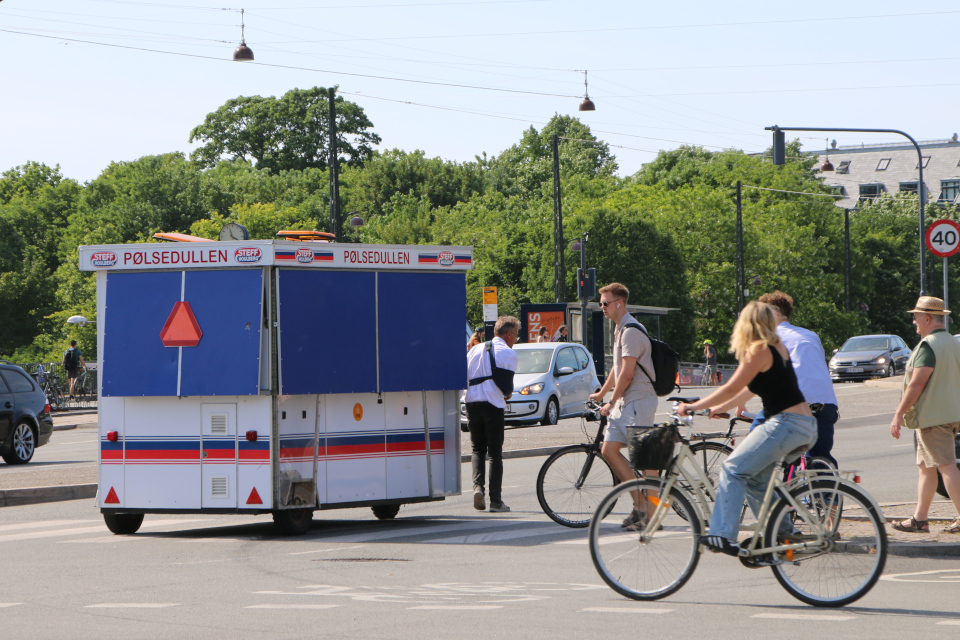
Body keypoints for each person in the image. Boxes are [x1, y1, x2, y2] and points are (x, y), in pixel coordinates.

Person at [677, 301, 817, 556]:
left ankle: (722, 535)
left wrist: (694, 406)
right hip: (803, 424)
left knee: (732, 469)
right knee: (754, 479)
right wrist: (717, 408)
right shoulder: (776, 347)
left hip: (786, 424)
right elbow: (749, 389)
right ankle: (785, 534)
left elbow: (730, 387)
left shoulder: (759, 349)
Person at [587, 282, 659, 529]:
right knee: (608, 450)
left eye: (605, 303)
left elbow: (627, 375)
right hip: (627, 401)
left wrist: (611, 402)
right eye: (601, 303)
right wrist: (601, 393)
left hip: (639, 400)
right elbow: (617, 371)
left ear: (619, 303)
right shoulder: (619, 330)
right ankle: (639, 505)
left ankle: (652, 515)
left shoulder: (631, 331)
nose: (602, 307)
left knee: (646, 460)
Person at [889, 296, 960, 534]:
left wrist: (898, 414)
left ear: (927, 318)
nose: (913, 321)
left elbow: (916, 384)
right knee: (926, 468)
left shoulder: (928, 345)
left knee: (946, 467)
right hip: (949, 414)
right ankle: (920, 519)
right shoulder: (952, 342)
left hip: (933, 417)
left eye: (916, 317)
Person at [755, 291, 840, 466]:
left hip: (791, 408)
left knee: (751, 454)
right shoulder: (811, 335)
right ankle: (825, 489)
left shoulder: (769, 337)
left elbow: (755, 375)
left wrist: (739, 405)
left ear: (776, 314)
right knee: (818, 461)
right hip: (826, 406)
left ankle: (773, 490)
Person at [465, 315, 520, 513]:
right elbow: (506, 387)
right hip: (492, 403)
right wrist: (506, 393)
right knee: (495, 452)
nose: (515, 340)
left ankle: (477, 488)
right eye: (515, 335)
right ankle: (496, 501)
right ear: (508, 334)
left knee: (477, 449)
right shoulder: (508, 353)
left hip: (471, 402)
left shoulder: (475, 349)